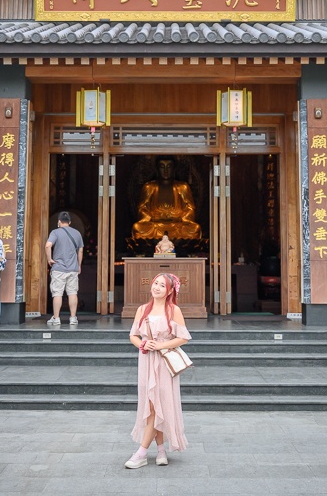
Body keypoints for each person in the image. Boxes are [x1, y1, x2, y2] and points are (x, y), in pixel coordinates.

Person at [125, 272, 190, 469]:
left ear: (170, 291)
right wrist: (143, 344)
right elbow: (133, 335)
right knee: (153, 405)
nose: (157, 287)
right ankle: (161, 450)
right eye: (155, 283)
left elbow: (183, 338)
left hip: (163, 361)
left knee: (157, 404)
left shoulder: (174, 310)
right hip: (146, 360)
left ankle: (141, 453)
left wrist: (160, 346)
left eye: (162, 285)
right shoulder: (142, 309)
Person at [132, 157, 201, 240]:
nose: (165, 170)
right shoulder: (149, 187)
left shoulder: (183, 187)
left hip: (177, 225)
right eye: (162, 166)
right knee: (138, 228)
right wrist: (152, 217)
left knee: (195, 228)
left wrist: (180, 218)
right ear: (157, 169)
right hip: (155, 225)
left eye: (169, 167)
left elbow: (190, 208)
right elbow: (141, 208)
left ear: (174, 169)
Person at [45, 211, 83, 326]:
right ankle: (73, 318)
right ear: (70, 222)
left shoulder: (55, 232)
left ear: (59, 222)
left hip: (59, 268)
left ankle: (56, 318)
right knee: (72, 293)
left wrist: (49, 259)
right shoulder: (77, 233)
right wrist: (79, 265)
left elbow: (48, 245)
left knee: (57, 293)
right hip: (73, 269)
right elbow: (80, 250)